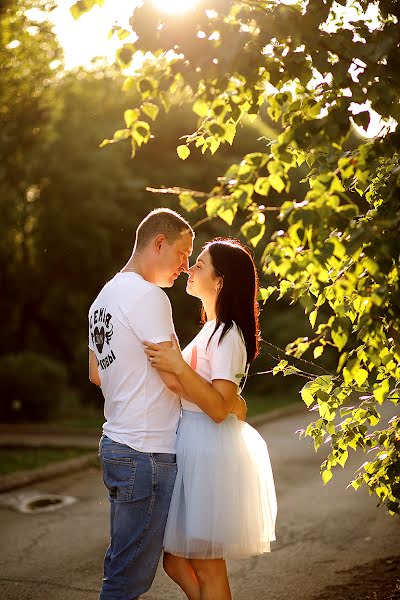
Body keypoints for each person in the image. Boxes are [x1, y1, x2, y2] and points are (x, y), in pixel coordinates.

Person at [144, 238, 277, 600]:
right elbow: (219, 399)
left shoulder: (228, 334)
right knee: (177, 561)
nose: (189, 268)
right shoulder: (212, 328)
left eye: (199, 264)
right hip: (193, 442)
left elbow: (218, 408)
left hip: (206, 447)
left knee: (204, 563)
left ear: (219, 281)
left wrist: (176, 368)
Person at [88, 208, 194, 600]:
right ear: (159, 243)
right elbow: (173, 375)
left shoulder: (103, 298)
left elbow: (97, 373)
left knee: (121, 565)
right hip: (146, 453)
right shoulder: (148, 296)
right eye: (183, 254)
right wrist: (219, 402)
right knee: (126, 580)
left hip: (117, 445)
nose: (185, 267)